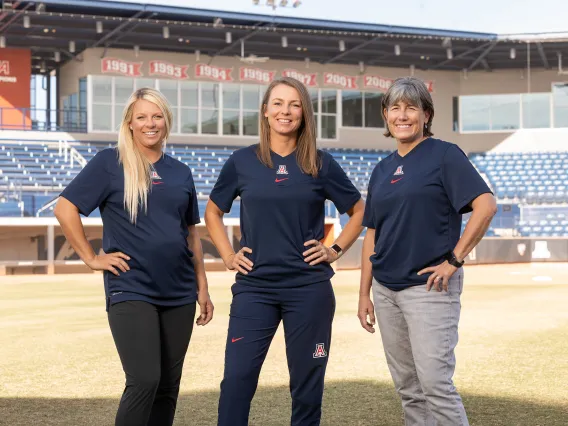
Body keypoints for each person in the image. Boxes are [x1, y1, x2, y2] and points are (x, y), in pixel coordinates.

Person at [205, 76, 364, 426]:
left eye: (294, 104)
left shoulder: (320, 163)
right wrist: (229, 255)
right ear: (265, 111)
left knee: (307, 385)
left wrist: (334, 249)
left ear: (304, 113)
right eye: (277, 103)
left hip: (309, 290)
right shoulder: (242, 162)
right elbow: (212, 212)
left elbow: (359, 211)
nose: (285, 111)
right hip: (254, 288)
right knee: (236, 379)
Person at [54, 88, 214, 426]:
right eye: (141, 117)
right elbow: (65, 208)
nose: (150, 124)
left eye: (157, 116)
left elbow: (191, 235)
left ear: (166, 122)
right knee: (144, 380)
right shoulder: (109, 164)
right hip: (131, 287)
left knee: (168, 388)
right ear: (129, 123)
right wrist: (91, 258)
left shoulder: (181, 172)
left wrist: (203, 288)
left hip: (180, 292)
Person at [357, 77, 497, 426]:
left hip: (429, 289)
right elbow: (373, 233)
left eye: (411, 108)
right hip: (385, 290)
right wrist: (364, 294)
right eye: (395, 108)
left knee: (435, 384)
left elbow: (486, 205)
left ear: (426, 114)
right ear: (386, 115)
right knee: (408, 388)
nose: (402, 115)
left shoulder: (444, 155)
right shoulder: (381, 168)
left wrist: (454, 260)